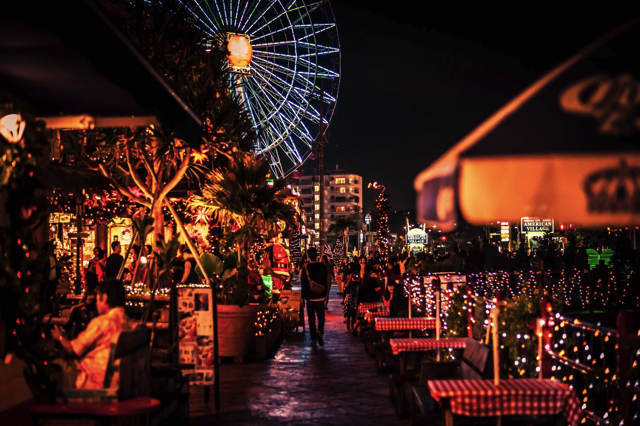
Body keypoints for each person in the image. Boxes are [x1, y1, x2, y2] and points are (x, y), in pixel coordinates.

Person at [51, 279, 132, 389]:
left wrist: (59, 336)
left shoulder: (103, 323)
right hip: (117, 378)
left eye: (97, 298)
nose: (96, 302)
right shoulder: (127, 323)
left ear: (104, 298)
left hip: (93, 380)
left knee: (56, 365)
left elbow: (73, 349)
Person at [300, 246, 329, 347]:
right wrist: (325, 294)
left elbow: (303, 284)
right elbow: (326, 282)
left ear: (308, 256)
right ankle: (320, 331)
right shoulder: (322, 267)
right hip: (320, 296)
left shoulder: (305, 268)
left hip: (310, 297)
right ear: (317, 255)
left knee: (311, 318)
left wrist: (302, 297)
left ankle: (313, 338)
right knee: (321, 317)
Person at [343, 262, 360, 334]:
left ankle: (352, 327)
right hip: (349, 298)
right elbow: (346, 286)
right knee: (347, 314)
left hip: (354, 298)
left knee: (353, 314)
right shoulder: (347, 282)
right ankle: (347, 328)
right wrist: (350, 279)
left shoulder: (355, 281)